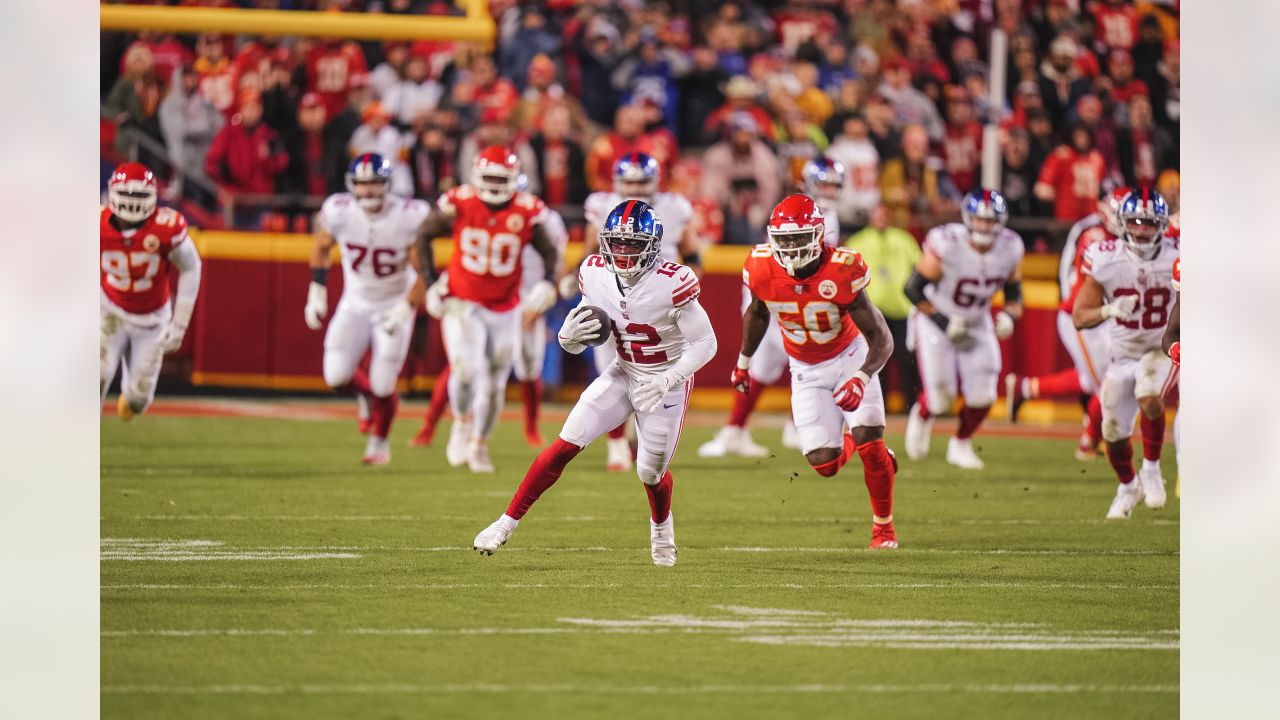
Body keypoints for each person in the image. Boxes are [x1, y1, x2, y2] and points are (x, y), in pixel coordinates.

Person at [472, 201, 717, 566]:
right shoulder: (593, 272)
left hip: (665, 381)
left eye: (632, 243)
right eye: (617, 242)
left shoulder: (673, 282)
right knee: (565, 444)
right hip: (624, 371)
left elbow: (707, 343)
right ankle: (505, 523)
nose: (622, 251)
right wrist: (569, 340)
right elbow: (592, 325)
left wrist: (670, 378)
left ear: (652, 245)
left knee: (649, 471)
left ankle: (662, 528)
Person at [737, 194, 899, 549]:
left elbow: (881, 338)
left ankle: (883, 528)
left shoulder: (842, 267)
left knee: (871, 441)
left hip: (849, 355)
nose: (792, 248)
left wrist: (862, 376)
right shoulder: (761, 265)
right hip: (806, 368)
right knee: (824, 463)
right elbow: (759, 312)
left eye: (799, 238)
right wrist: (744, 362)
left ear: (819, 235)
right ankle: (852, 442)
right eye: (785, 240)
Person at [413, 147, 561, 473]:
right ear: (477, 177)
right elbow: (423, 235)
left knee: (495, 384)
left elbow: (549, 251)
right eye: (490, 177)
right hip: (463, 301)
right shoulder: (461, 203)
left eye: (500, 178)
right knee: (465, 371)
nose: (494, 184)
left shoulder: (526, 210)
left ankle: (479, 443)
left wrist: (548, 282)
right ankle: (462, 422)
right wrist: (431, 281)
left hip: (506, 306)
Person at [564, 152, 704, 471]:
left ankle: (643, 438)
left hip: (656, 299)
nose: (635, 188)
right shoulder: (603, 206)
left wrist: (681, 294)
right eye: (629, 181)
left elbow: (693, 255)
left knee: (653, 376)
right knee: (609, 371)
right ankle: (615, 443)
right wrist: (571, 279)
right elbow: (588, 251)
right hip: (611, 292)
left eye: (642, 182)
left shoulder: (675, 207)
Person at [699, 159, 843, 458]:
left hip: (791, 296)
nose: (829, 190)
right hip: (778, 293)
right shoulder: (796, 210)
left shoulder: (826, 214)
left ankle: (760, 428)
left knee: (799, 363)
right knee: (776, 364)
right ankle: (745, 429)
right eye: (824, 183)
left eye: (834, 184)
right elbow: (789, 259)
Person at [303, 154, 431, 465]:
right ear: (352, 186)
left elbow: (425, 272)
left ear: (387, 185)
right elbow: (321, 248)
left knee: (384, 384)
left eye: (375, 184)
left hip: (394, 304)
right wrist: (316, 289)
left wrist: (405, 308)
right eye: (363, 184)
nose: (369, 191)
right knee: (335, 374)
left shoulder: (409, 215)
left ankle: (380, 443)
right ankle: (364, 397)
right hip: (355, 303)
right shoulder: (339, 211)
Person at [1071, 188, 1178, 519]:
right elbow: (1079, 315)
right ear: (1122, 223)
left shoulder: (1178, 254)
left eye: (1149, 223)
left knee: (1150, 397)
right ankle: (1128, 485)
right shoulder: (1104, 256)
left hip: (1161, 346)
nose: (1142, 230)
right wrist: (1109, 310)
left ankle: (1152, 469)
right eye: (1135, 222)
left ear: (1162, 225)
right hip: (1122, 353)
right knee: (1113, 435)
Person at [903, 190, 1025, 470]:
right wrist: (944, 322)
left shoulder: (1010, 247)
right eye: (979, 220)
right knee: (941, 399)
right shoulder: (947, 243)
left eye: (990, 220)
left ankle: (960, 442)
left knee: (984, 394)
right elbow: (912, 289)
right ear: (968, 219)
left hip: (977, 320)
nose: (984, 226)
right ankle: (922, 414)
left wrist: (1009, 317)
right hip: (936, 316)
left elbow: (1015, 293)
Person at [1006, 187, 1131, 459]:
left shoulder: (1116, 236)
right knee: (1110, 383)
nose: (1132, 225)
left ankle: (1026, 389)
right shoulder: (1094, 236)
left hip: (1104, 314)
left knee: (1091, 380)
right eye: (1127, 217)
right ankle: (1090, 442)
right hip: (1087, 317)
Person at [100, 163, 203, 420]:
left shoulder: (166, 227)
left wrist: (179, 325)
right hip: (110, 309)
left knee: (139, 399)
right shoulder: (97, 224)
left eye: (139, 195)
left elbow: (191, 267)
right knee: (96, 374)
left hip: (151, 320)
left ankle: (130, 401)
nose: (132, 201)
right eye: (127, 194)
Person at [844, 203, 922, 411]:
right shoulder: (858, 240)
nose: (881, 219)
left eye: (884, 215)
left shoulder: (904, 239)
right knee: (874, 360)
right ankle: (878, 405)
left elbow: (919, 267)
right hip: (871, 311)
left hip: (901, 309)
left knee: (908, 359)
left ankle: (912, 405)